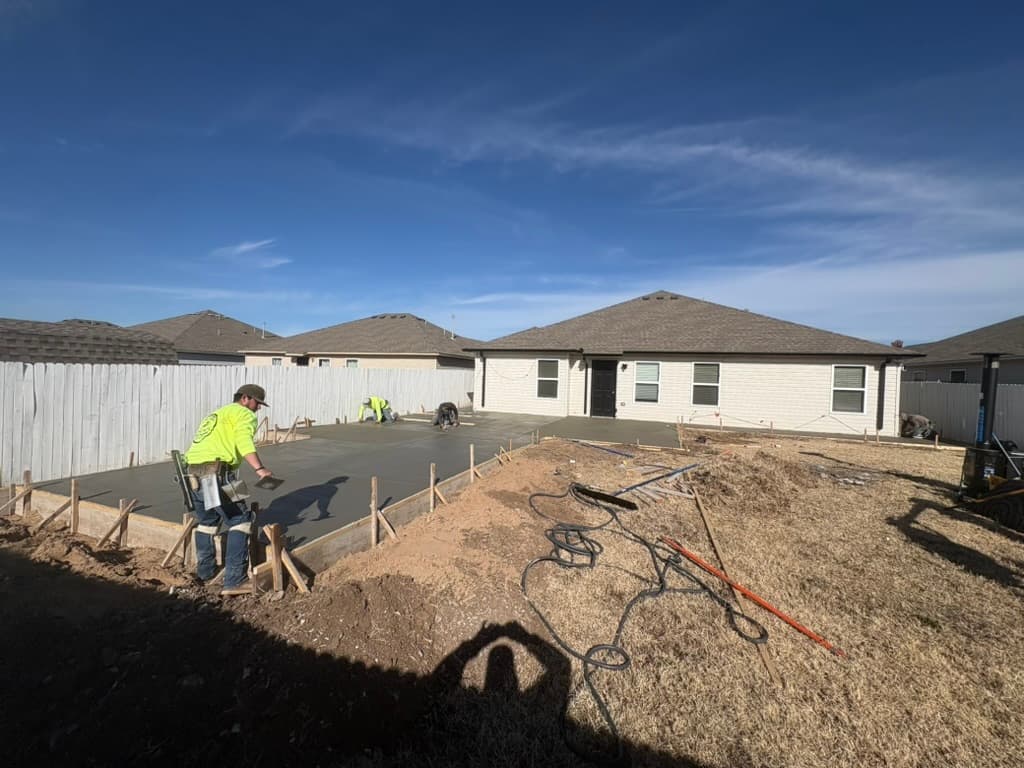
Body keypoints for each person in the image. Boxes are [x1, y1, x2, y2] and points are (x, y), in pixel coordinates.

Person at [184, 384, 274, 594]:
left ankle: (205, 572)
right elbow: (243, 440)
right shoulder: (244, 414)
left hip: (192, 474)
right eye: (256, 404)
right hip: (219, 474)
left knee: (207, 522)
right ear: (245, 399)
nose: (257, 409)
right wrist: (259, 469)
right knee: (241, 520)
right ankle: (235, 580)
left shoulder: (217, 413)